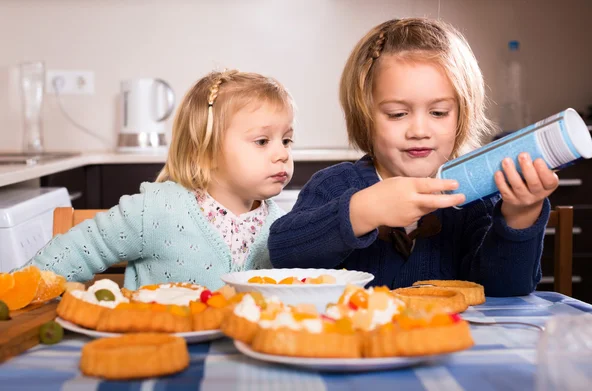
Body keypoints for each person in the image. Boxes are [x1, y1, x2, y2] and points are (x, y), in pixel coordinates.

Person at [269, 18, 558, 296]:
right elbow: (282, 254)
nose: (419, 131)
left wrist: (520, 216)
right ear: (364, 115)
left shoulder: (475, 199)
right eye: (398, 114)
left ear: (461, 115)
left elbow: (505, 289)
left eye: (438, 112)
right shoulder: (333, 186)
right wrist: (361, 211)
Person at [26, 70, 296, 290]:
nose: (282, 153)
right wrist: (18, 291)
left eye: (286, 140)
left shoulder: (284, 228)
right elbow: (79, 249)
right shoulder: (155, 210)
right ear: (206, 151)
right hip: (151, 347)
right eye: (262, 141)